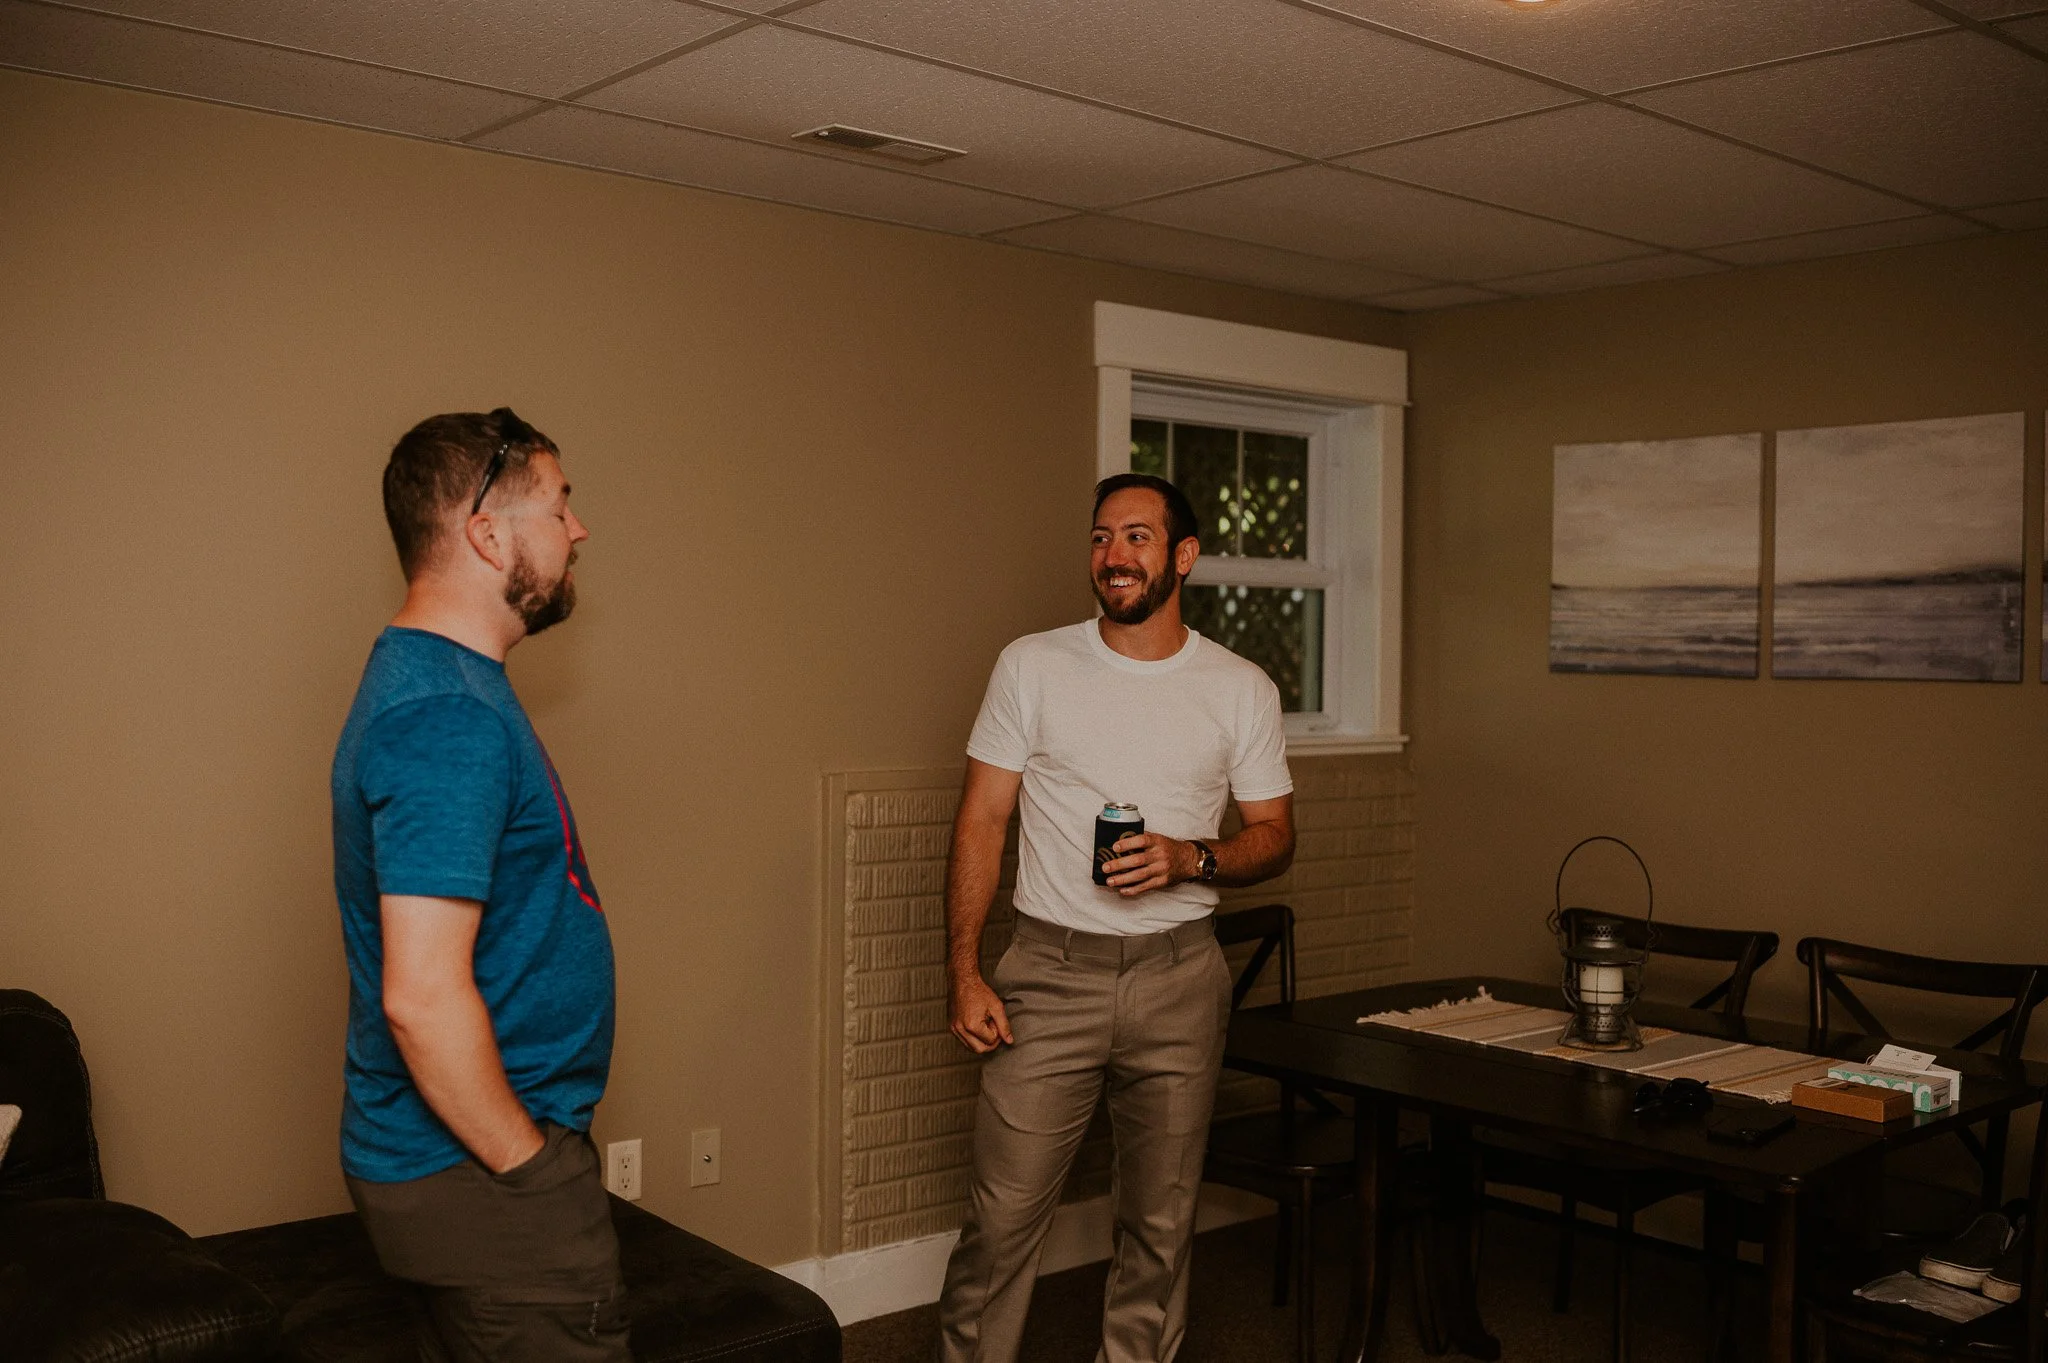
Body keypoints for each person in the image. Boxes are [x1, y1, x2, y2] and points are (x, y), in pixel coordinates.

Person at [937, 472, 1297, 1363]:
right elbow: (982, 818)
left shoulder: (1239, 686)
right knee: (1000, 1225)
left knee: (1160, 1229)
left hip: (1180, 977)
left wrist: (1189, 857)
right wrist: (966, 969)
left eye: (1136, 537)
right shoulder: (1033, 664)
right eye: (1101, 537)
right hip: (1049, 976)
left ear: (1182, 557)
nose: (1113, 556)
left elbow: (1275, 837)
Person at [331, 407, 628, 1362]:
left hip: (465, 1162)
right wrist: (530, 1169)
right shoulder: (444, 716)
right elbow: (419, 997)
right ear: (487, 534)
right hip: (480, 1172)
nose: (578, 530)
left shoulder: (448, 682)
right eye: (559, 505)